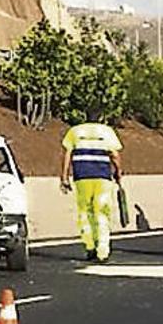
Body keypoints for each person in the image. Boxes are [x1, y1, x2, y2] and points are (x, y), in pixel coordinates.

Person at [60, 109, 123, 262]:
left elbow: (67, 153)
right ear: (101, 118)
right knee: (102, 212)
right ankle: (103, 251)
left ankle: (89, 246)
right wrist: (118, 172)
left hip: (82, 176)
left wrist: (64, 176)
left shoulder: (74, 131)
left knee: (85, 212)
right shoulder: (107, 131)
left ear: (85, 117)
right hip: (102, 177)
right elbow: (114, 154)